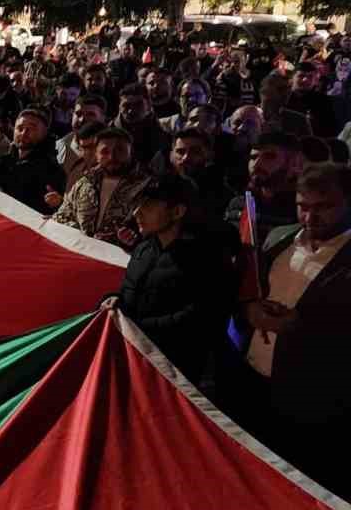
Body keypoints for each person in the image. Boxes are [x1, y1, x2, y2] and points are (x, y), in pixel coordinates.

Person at [231, 163, 351, 487]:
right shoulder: (279, 238)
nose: (310, 218)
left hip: (313, 401)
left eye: (323, 207)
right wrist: (249, 310)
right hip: (252, 381)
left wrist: (300, 326)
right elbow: (248, 290)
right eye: (303, 206)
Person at [111, 174, 230, 380]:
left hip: (173, 372)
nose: (137, 213)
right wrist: (112, 301)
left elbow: (198, 319)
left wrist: (138, 326)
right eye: (137, 205)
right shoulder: (143, 249)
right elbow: (129, 294)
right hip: (132, 357)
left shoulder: (206, 259)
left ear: (177, 211)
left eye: (147, 206)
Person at [50, 126, 152, 247]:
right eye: (105, 151)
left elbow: (156, 231)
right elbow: (63, 216)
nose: (112, 157)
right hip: (83, 253)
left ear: (131, 151)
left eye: (120, 150)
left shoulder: (148, 186)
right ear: (96, 154)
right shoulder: (84, 183)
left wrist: (133, 238)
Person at [0, 108, 68, 214]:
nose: (24, 133)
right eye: (20, 128)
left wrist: (58, 204)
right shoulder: (5, 162)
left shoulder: (52, 170)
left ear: (44, 133)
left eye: (31, 129)